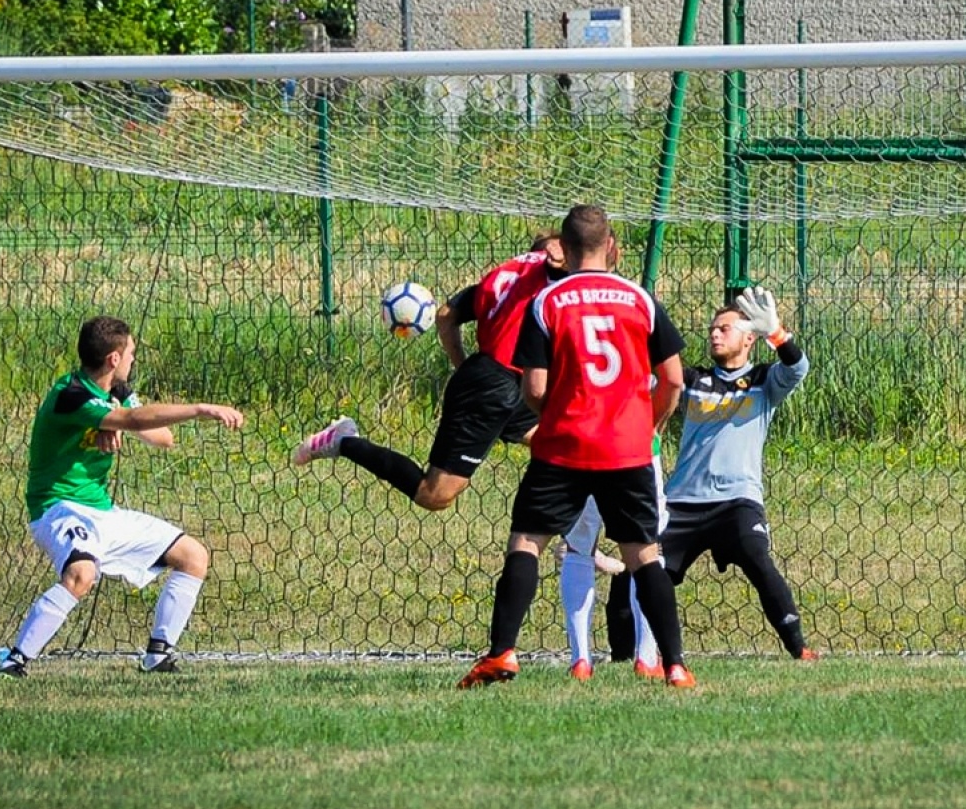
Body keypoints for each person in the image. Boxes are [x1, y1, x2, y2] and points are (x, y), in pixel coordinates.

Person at [458, 204, 695, 689]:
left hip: (563, 447)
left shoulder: (547, 302)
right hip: (627, 450)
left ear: (562, 251)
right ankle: (674, 665)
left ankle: (502, 652)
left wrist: (556, 419)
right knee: (643, 554)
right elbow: (672, 380)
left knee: (527, 542)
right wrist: (643, 423)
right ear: (612, 247)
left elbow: (536, 389)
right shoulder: (640, 299)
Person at [0, 316, 244, 678]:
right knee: (82, 573)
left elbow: (161, 437)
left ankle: (158, 654)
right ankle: (14, 663)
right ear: (113, 358)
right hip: (59, 510)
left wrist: (115, 424)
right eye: (131, 353)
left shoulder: (116, 393)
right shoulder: (71, 396)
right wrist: (200, 410)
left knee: (193, 556)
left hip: (102, 514)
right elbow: (136, 419)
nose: (132, 361)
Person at [292, 234, 564, 514]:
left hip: (505, 381)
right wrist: (482, 380)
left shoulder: (507, 275)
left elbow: (446, 315)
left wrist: (467, 368)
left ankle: (576, 547)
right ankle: (344, 441)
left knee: (570, 448)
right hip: (496, 386)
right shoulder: (559, 270)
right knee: (434, 495)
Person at [660, 288, 816, 661]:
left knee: (760, 562)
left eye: (724, 329)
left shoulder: (765, 382)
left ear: (749, 338)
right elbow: (657, 374)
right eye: (712, 329)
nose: (714, 334)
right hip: (682, 502)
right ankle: (626, 657)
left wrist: (777, 333)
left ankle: (799, 648)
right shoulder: (695, 381)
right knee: (643, 574)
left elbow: (798, 368)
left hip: (737, 501)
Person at [556, 435, 663, 680]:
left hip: (583, 444)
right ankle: (646, 658)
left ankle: (580, 659)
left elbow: (539, 395)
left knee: (577, 549)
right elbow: (670, 395)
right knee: (648, 551)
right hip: (637, 444)